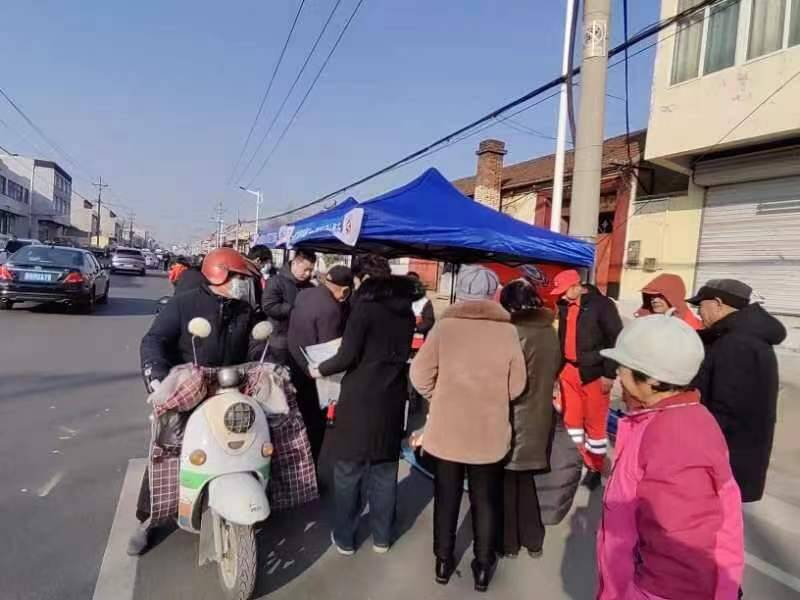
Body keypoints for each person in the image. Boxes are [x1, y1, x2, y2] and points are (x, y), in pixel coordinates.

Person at [596, 314, 744, 599]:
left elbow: (682, 547)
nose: (617, 376)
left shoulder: (672, 438)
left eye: (623, 368)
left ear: (651, 381)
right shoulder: (670, 417)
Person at [132, 247, 265, 556]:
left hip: (231, 389)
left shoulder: (243, 309)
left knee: (262, 435)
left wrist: (262, 360)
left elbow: (254, 345)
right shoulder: (183, 304)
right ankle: (148, 520)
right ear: (221, 275)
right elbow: (153, 341)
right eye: (239, 278)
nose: (244, 285)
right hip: (189, 388)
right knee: (168, 447)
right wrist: (159, 379)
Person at [410, 265, 526, 592]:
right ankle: (482, 567)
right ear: (494, 293)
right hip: (489, 431)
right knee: (485, 499)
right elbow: (517, 385)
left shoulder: (444, 328)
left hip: (447, 430)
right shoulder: (507, 331)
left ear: (460, 290)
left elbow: (419, 376)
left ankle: (443, 561)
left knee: (446, 496)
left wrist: (441, 397)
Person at [311, 269, 419, 556]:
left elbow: (347, 356)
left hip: (360, 398)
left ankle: (346, 538)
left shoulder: (365, 311)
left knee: (349, 469)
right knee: (385, 470)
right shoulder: (406, 315)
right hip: (392, 398)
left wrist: (319, 368)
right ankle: (382, 537)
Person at [688, 279, 786, 503]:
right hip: (733, 452)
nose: (699, 312)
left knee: (714, 520)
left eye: (700, 305)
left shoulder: (736, 344)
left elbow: (726, 409)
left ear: (718, 303)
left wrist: (700, 450)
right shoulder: (737, 335)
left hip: (727, 455)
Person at [498, 279, 561, 559]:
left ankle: (510, 542)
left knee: (508, 481)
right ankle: (533, 540)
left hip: (514, 414)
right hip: (540, 414)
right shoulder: (549, 331)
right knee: (523, 481)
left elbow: (505, 378)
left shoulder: (512, 332)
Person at [550, 269, 622, 489]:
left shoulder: (602, 306)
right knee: (572, 422)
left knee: (595, 425)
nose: (561, 296)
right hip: (568, 372)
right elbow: (561, 339)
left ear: (576, 286)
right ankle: (577, 459)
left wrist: (609, 373)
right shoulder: (564, 306)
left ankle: (595, 466)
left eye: (563, 291)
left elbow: (616, 338)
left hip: (595, 374)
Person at [288, 265, 353, 463]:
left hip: (293, 362)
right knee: (314, 426)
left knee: (296, 421)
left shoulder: (305, 294)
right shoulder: (332, 309)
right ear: (345, 290)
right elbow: (329, 350)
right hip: (313, 374)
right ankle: (312, 471)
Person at [262, 249, 316, 364]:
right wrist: (294, 309)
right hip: (280, 340)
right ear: (295, 263)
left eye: (310, 270)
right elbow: (269, 306)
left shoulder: (310, 286)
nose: (308, 274)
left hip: (303, 341)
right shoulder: (276, 281)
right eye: (305, 270)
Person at [635, 273, 702, 330]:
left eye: (660, 296)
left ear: (674, 297)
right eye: (651, 296)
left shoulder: (689, 326)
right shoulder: (647, 319)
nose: (654, 300)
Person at [406, 271, 435, 352]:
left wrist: (414, 328)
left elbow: (429, 321)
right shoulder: (398, 299)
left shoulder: (425, 301)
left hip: (417, 340)